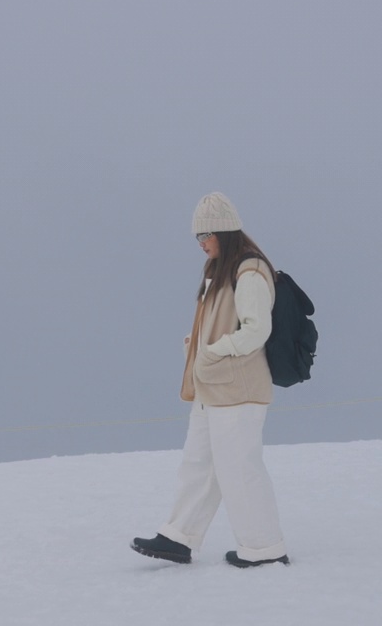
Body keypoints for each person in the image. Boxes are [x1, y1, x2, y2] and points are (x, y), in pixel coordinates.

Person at [131, 192, 290, 568]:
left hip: (237, 390)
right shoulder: (219, 272)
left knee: (240, 470)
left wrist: (215, 350)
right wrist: (199, 346)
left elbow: (256, 330)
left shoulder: (249, 270)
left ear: (224, 231)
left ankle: (265, 548)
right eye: (197, 238)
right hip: (212, 387)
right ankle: (178, 538)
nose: (201, 244)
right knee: (199, 464)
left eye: (206, 236)